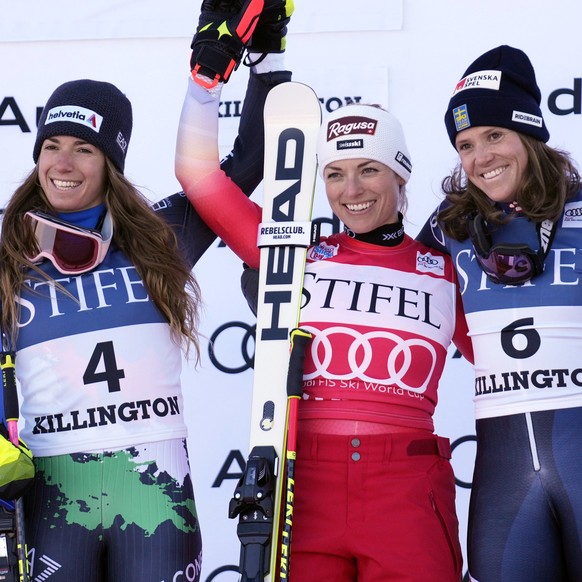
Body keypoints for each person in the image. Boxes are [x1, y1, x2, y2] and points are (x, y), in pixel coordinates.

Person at [0, 0, 292, 579]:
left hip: (156, 486)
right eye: (51, 146)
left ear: (112, 163)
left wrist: (263, 60)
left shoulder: (163, 236)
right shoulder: (8, 251)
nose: (64, 162)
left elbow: (250, 161)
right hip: (54, 492)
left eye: (84, 148)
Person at [176, 46, 475, 576]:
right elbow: (197, 174)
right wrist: (205, 82)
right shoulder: (294, 254)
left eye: (369, 170)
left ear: (401, 177)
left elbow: (514, 366)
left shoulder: (448, 269)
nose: (351, 189)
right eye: (334, 173)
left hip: (405, 485)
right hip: (304, 482)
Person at [417, 45, 582, 581]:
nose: (480, 157)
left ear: (529, 136)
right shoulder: (449, 228)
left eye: (494, 136)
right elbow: (384, 286)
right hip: (504, 475)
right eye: (465, 145)